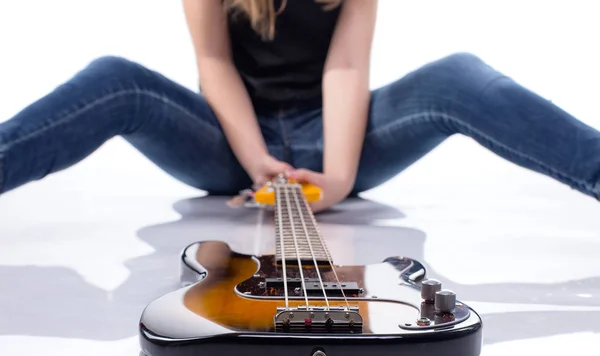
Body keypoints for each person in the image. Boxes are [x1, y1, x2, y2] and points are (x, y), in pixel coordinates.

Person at [0, 0, 598, 213]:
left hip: (342, 135)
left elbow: (346, 67)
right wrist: (255, 157)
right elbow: (214, 64)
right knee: (115, 78)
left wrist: (338, 178)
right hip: (230, 141)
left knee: (459, 76)